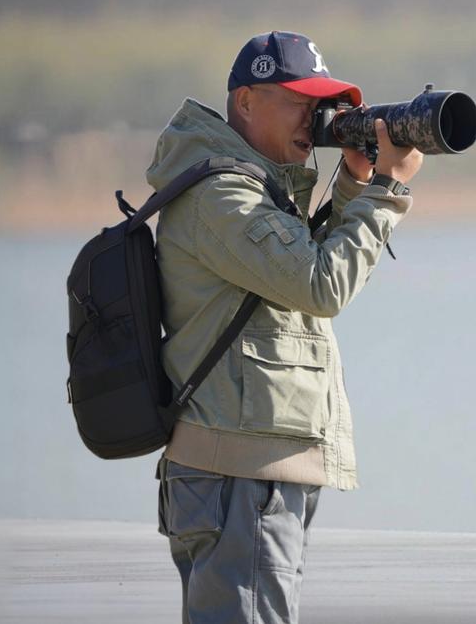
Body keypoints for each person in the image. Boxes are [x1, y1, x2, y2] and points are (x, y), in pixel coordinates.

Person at [147, 31, 422, 623]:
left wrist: (351, 182)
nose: (314, 118)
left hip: (247, 471)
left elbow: (300, 272)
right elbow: (321, 285)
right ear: (245, 101)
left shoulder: (254, 189)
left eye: (320, 104)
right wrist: (388, 192)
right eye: (298, 101)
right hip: (238, 473)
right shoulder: (222, 196)